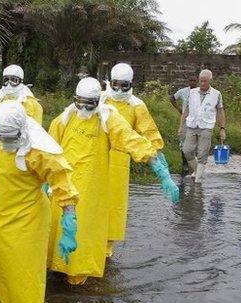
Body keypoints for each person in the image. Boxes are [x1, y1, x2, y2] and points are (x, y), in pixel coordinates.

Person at [48, 77, 179, 286]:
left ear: (97, 101)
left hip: (91, 189)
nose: (83, 108)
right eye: (79, 102)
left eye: (88, 104)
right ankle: (55, 270)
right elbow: (48, 147)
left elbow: (134, 141)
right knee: (56, 229)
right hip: (63, 185)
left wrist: (161, 171)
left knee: (84, 231)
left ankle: (78, 278)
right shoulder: (64, 118)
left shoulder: (109, 120)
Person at [0, 101, 79, 303]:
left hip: (28, 222)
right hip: (0, 216)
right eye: (1, 137)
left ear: (21, 132)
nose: (4, 143)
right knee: (2, 270)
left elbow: (63, 185)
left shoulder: (39, 151)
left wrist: (69, 225)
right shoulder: (1, 133)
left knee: (25, 276)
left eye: (9, 139)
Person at [102, 63, 166, 258]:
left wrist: (159, 162)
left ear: (131, 84)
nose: (119, 90)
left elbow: (149, 132)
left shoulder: (137, 106)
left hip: (120, 161)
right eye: (115, 85)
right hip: (96, 157)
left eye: (124, 86)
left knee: (114, 205)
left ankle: (106, 251)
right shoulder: (99, 100)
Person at [179, 69, 227, 183]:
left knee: (202, 153)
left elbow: (220, 112)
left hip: (206, 127)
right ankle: (197, 170)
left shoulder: (216, 94)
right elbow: (186, 110)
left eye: (205, 81)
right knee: (186, 150)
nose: (202, 83)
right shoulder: (192, 93)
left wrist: (222, 128)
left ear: (210, 80)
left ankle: (198, 181)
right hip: (192, 125)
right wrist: (181, 126)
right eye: (201, 81)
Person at [171, 76, 198, 177]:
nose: (192, 82)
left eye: (194, 80)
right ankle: (185, 165)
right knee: (183, 144)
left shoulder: (201, 92)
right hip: (186, 122)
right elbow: (172, 98)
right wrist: (178, 109)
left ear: (197, 82)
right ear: (188, 82)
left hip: (197, 122)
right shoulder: (183, 92)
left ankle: (194, 167)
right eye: (191, 80)